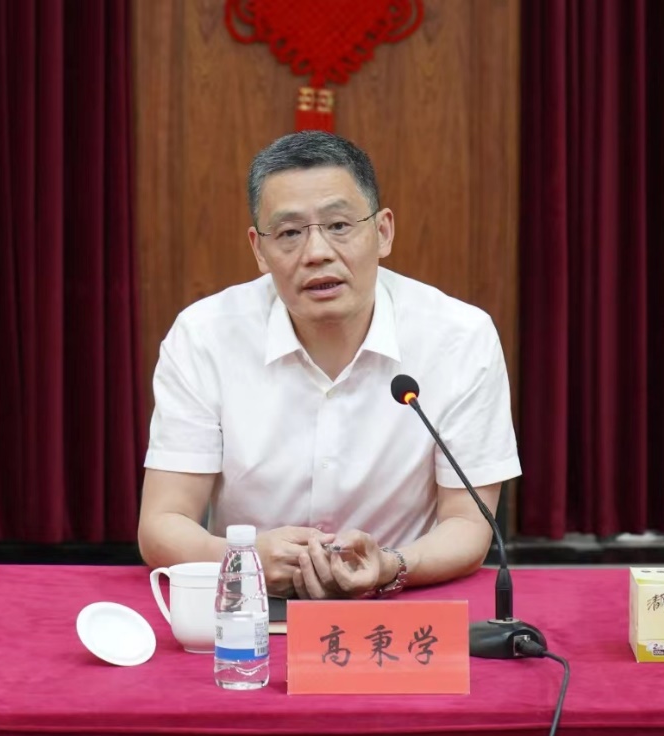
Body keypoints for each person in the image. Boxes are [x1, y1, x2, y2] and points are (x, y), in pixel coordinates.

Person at [137, 131, 521, 600]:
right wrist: (245, 559)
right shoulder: (204, 335)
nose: (316, 252)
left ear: (383, 232)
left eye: (339, 225)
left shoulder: (460, 337)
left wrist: (392, 565)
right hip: (249, 608)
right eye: (290, 233)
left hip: (399, 606)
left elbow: (467, 523)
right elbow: (163, 523)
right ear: (259, 250)